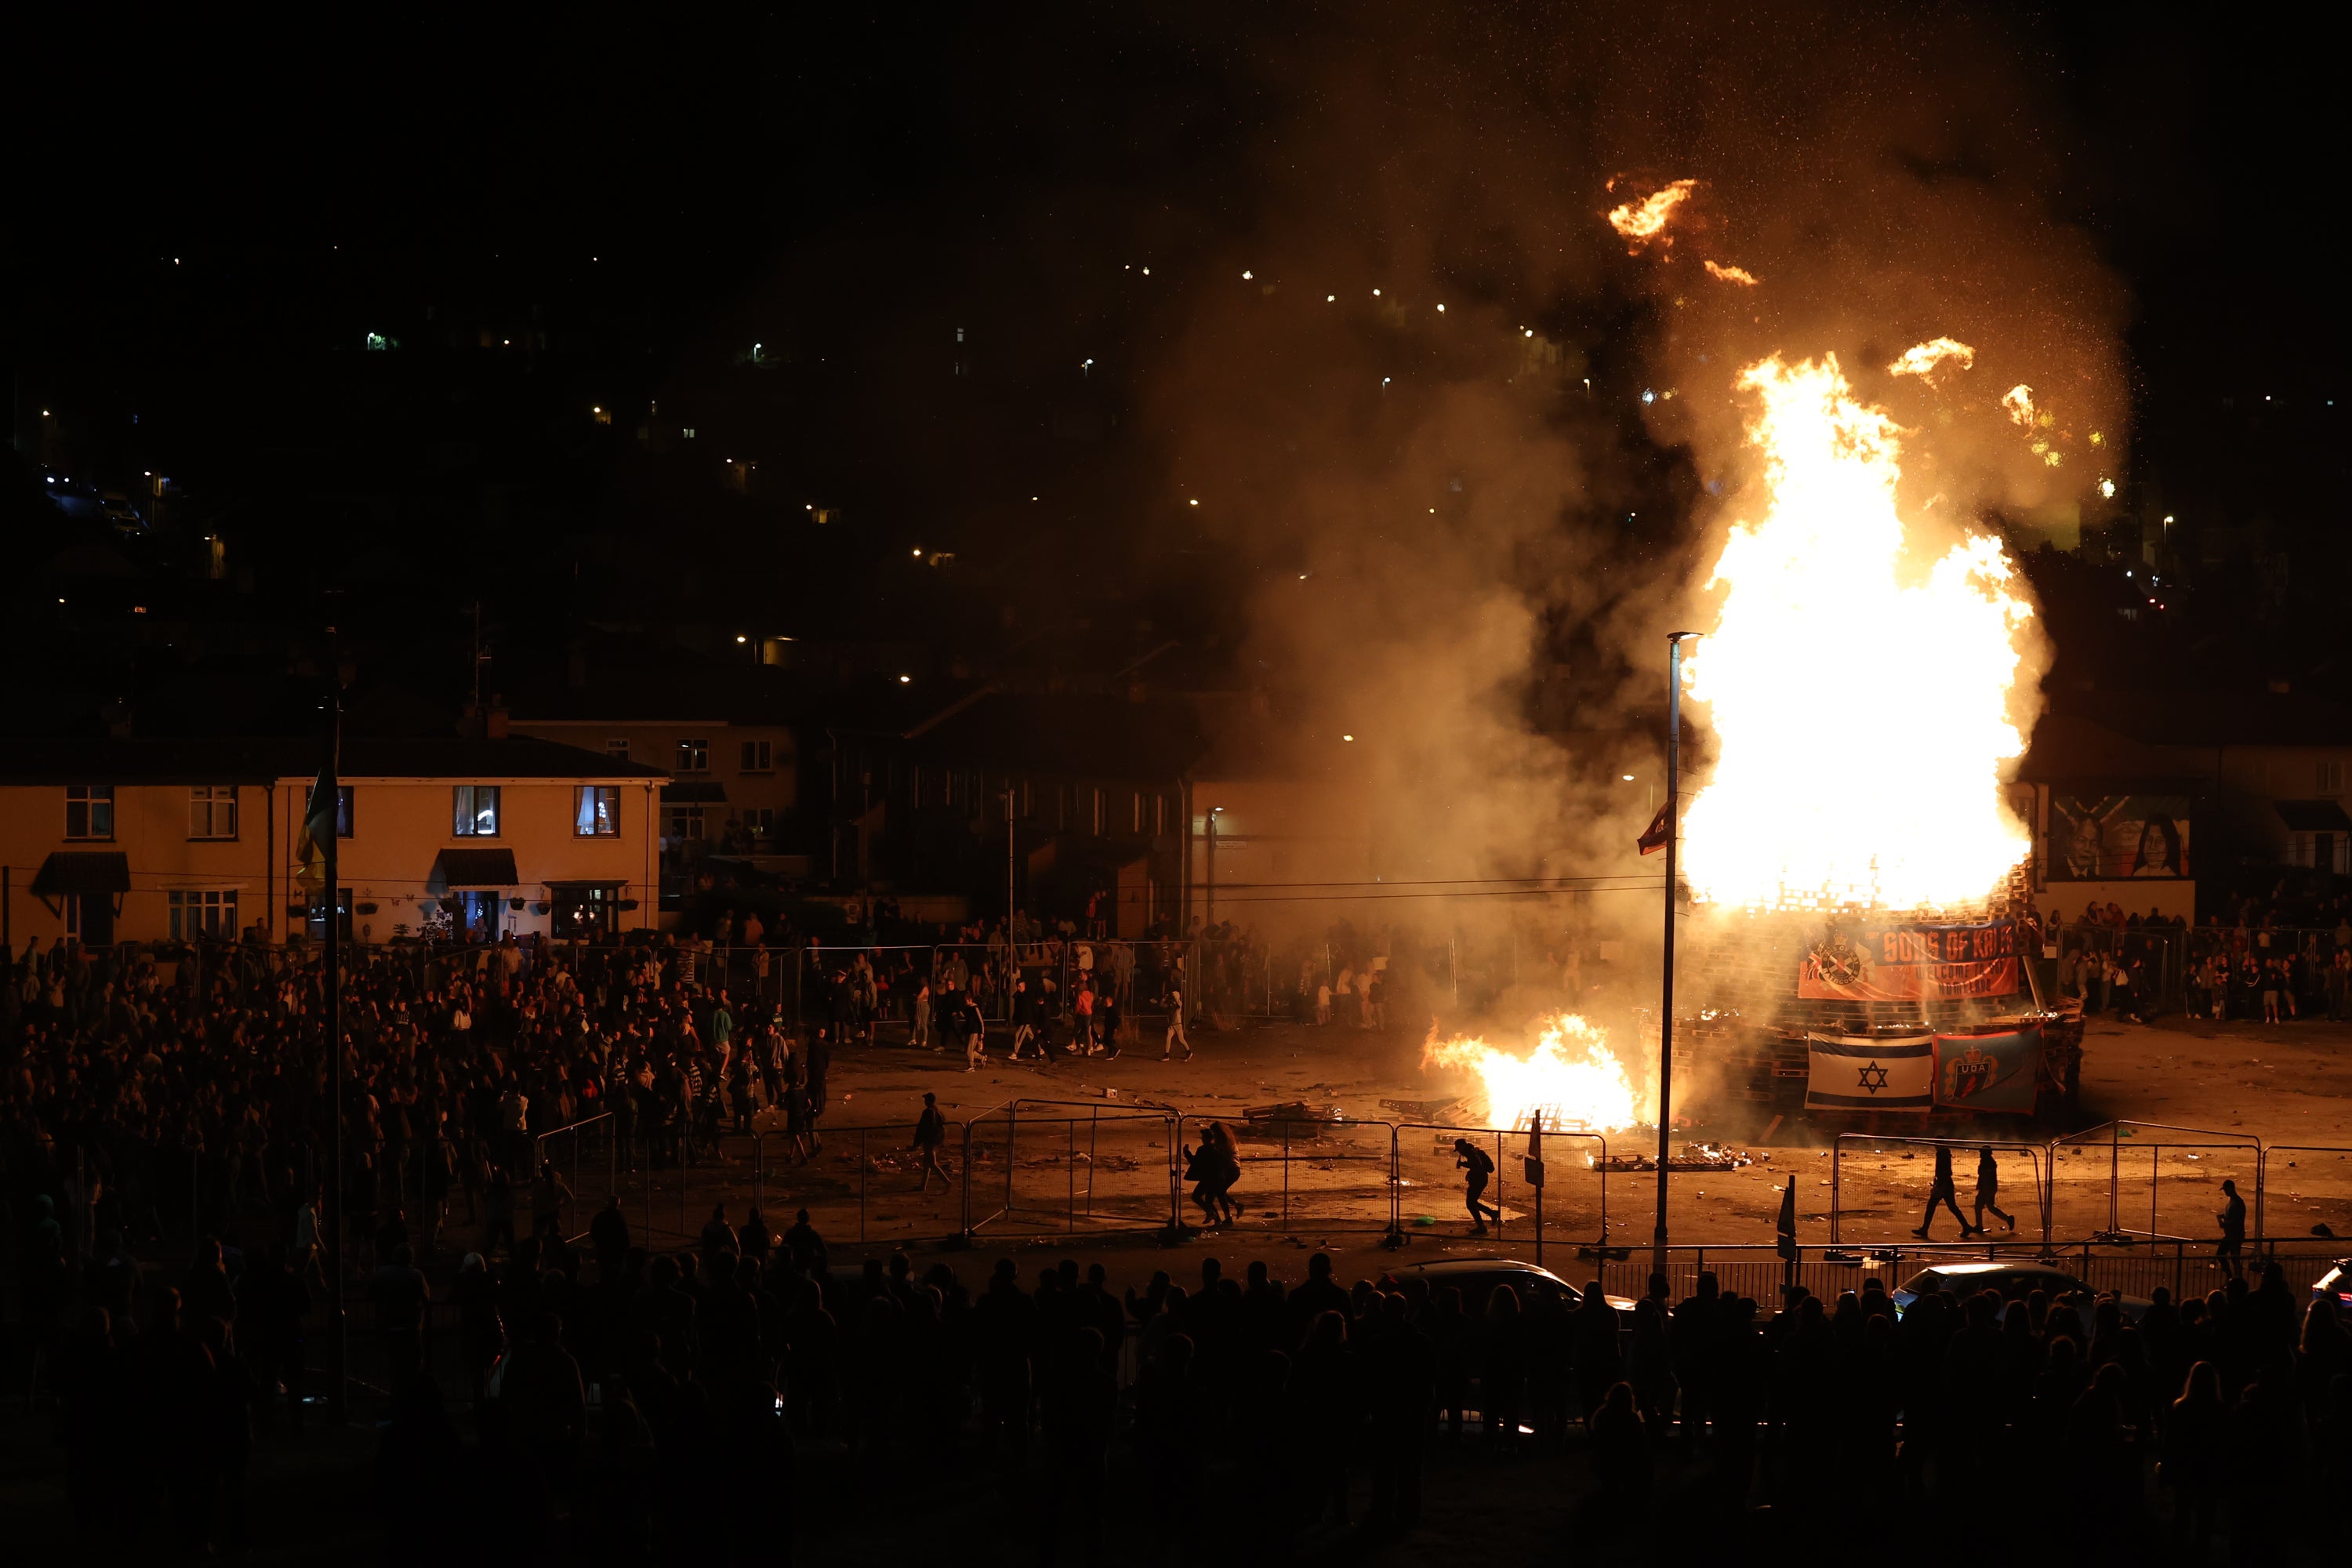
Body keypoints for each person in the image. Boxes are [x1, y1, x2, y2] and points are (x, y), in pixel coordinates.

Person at [1912, 1144, 1970, 1239]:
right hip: (1946, 1184)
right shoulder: (1945, 1154)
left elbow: (1943, 1172)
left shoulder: (1941, 1155)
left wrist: (1938, 1185)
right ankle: (1966, 1226)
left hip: (1943, 1184)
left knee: (1931, 1206)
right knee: (1952, 1207)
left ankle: (1924, 1229)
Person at [1454, 1137, 1501, 1233]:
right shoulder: (1471, 1152)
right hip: (1480, 1180)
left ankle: (1482, 1225)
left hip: (1479, 1180)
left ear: (1462, 1147)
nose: (1459, 1152)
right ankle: (1490, 1215)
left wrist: (1470, 1173)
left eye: (1459, 1149)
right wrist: (1464, 1165)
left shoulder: (1471, 1153)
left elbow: (1478, 1167)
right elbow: (1475, 1165)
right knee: (1472, 1203)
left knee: (1471, 1203)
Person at [1971, 1145, 2016, 1233]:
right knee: (1989, 1207)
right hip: (1989, 1188)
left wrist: (1983, 1188)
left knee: (1981, 1206)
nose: (1980, 1154)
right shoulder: (1989, 1162)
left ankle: (1979, 1226)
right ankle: (2007, 1219)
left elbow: (1984, 1175)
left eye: (1982, 1153)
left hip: (1987, 1188)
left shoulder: (1987, 1162)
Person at [913, 1092, 951, 1192]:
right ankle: (923, 1185)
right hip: (935, 1139)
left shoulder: (928, 1112)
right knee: (926, 1163)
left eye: (926, 1100)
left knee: (932, 1164)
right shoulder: (938, 1111)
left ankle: (947, 1182)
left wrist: (916, 1143)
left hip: (929, 1140)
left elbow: (922, 1128)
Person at [2215, 1178, 2246, 1279]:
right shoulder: (2233, 1202)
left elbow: (2236, 1221)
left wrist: (2224, 1224)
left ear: (2231, 1188)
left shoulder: (2237, 1203)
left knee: (2232, 1257)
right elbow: (2232, 1216)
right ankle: (2233, 1277)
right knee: (2233, 1257)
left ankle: (2233, 1278)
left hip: (2235, 1235)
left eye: (2226, 1190)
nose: (2225, 1192)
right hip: (2232, 1235)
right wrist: (2223, 1216)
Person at [1162, 982, 1192, 1062]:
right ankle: (1166, 1055)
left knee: (1181, 1039)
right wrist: (1165, 999)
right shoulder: (1171, 1004)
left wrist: (1174, 998)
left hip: (1178, 1025)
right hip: (1172, 1025)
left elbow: (1178, 1004)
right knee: (1168, 1038)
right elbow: (1162, 1005)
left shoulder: (1179, 1004)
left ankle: (1189, 1051)